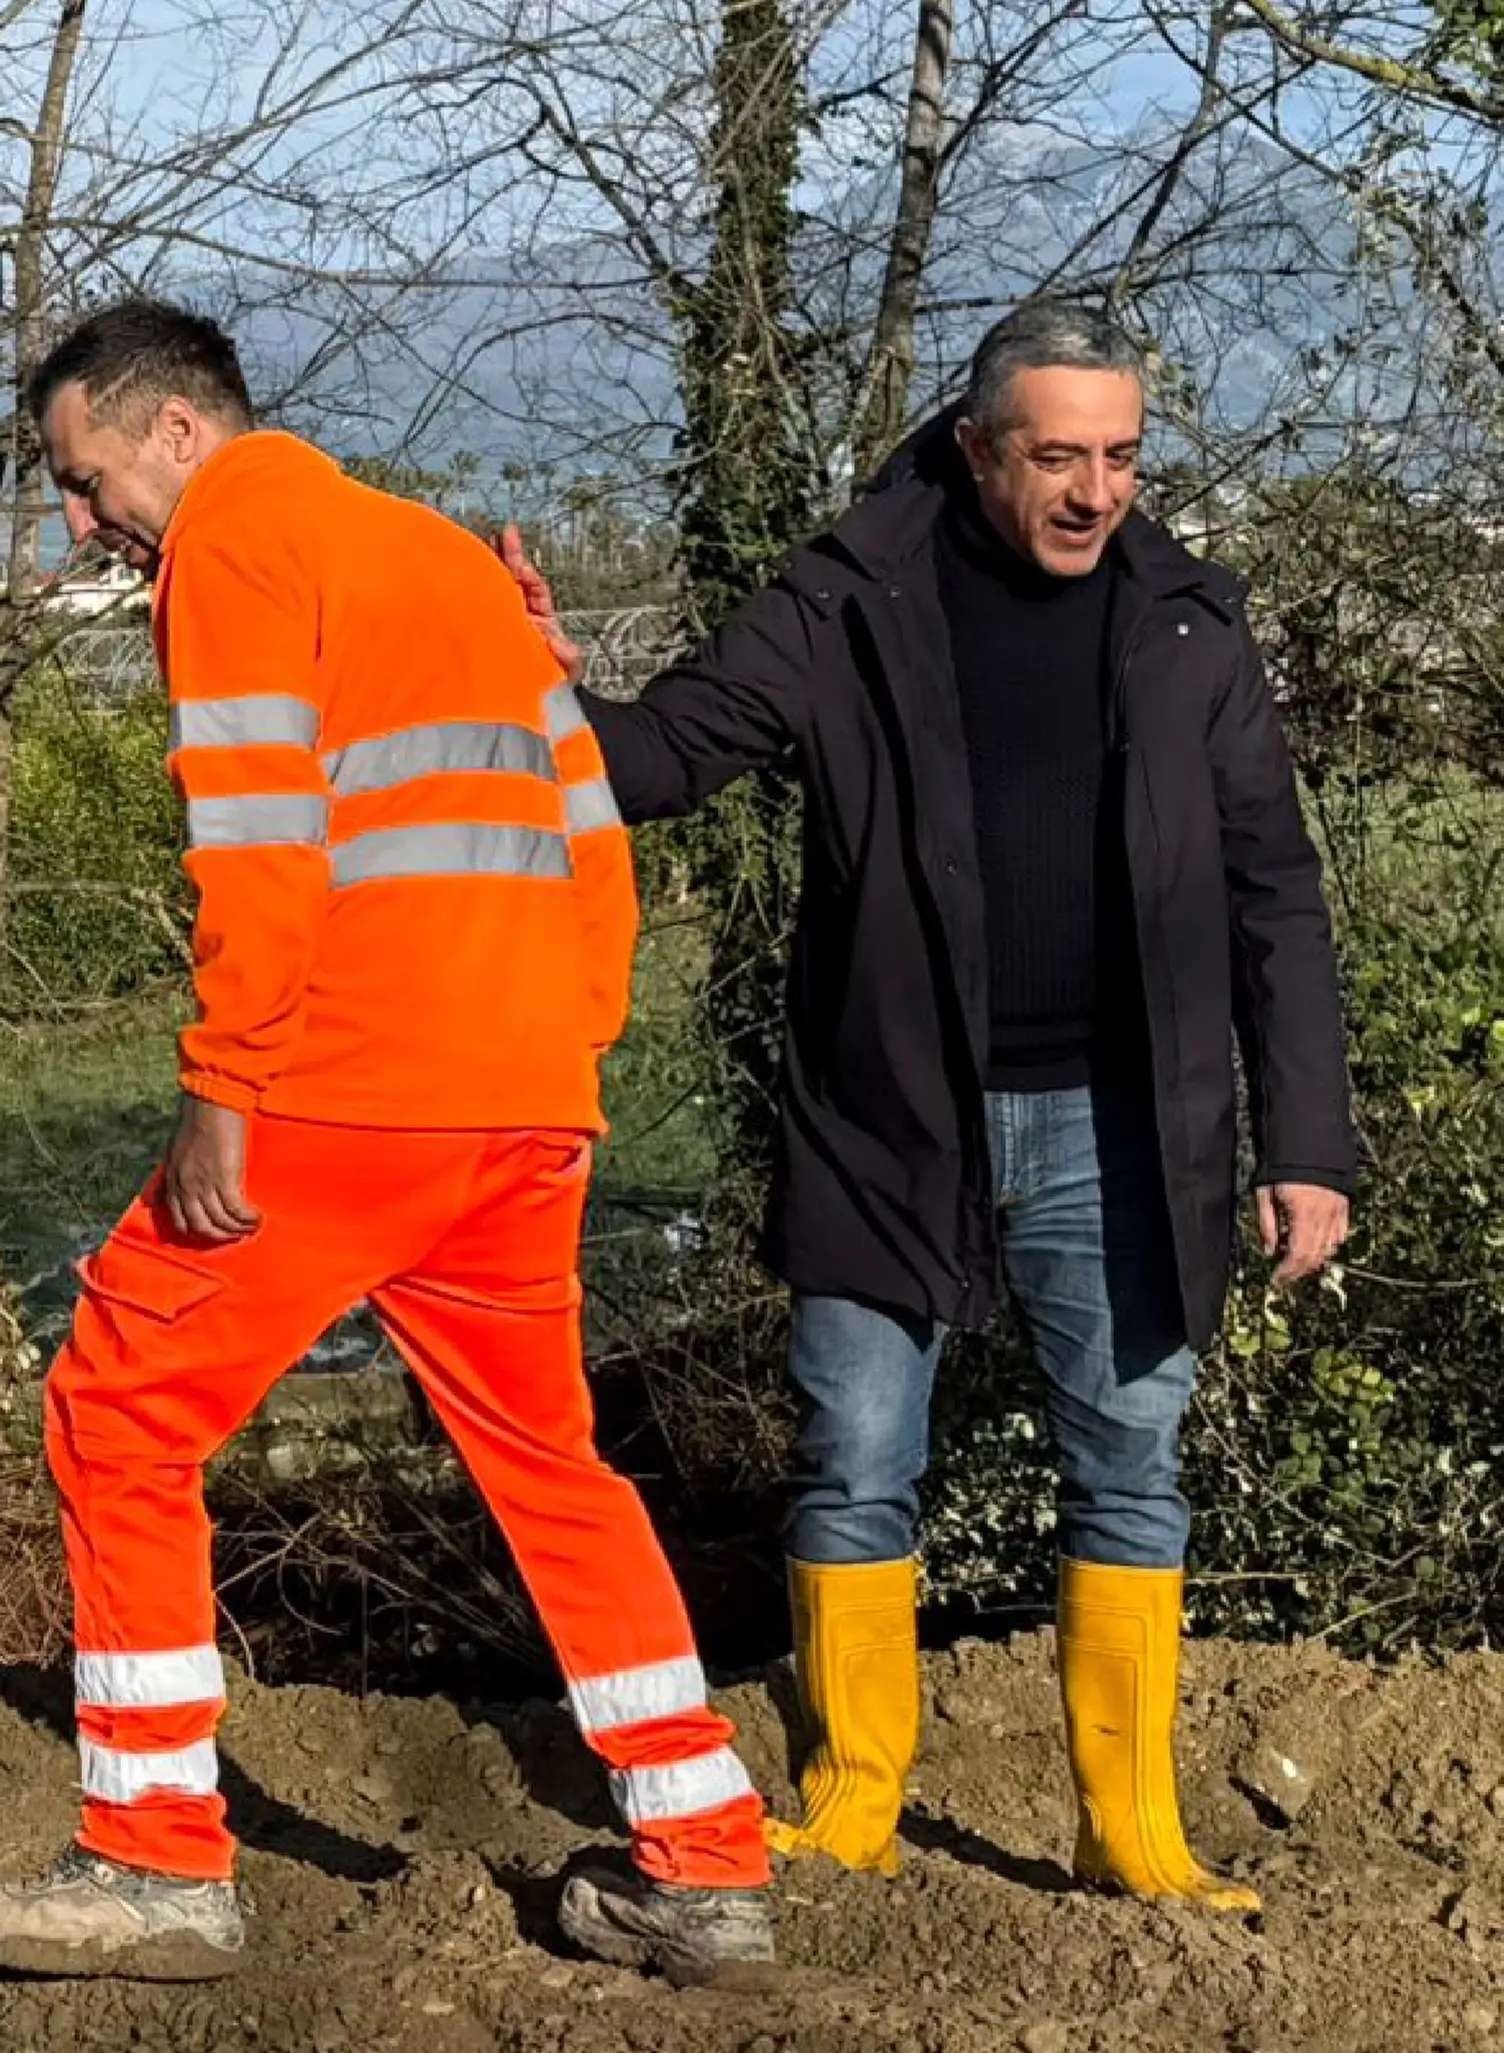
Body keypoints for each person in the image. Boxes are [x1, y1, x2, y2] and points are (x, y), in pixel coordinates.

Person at [0, 301, 776, 1987]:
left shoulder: (234, 550)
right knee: (555, 1471)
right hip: (522, 1097)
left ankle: (156, 1863)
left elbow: (258, 843)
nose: (80, 523)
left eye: (85, 482)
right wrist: (568, 1030)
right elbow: (587, 818)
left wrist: (226, 1082)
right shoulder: (454, 564)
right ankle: (708, 1868)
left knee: (115, 1412)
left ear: (177, 431)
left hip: (340, 1090)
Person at [498, 300, 1358, 1909]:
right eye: (1058, 457)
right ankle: (852, 1802)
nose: (1096, 492)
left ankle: (1133, 1836)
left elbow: (1274, 894)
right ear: (977, 452)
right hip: (887, 1117)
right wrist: (537, 683)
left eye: (1120, 457)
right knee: (853, 1462)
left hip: (1127, 1133)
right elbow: (659, 758)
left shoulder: (1189, 623)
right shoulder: (844, 604)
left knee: (1130, 1472)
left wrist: (1308, 1140)